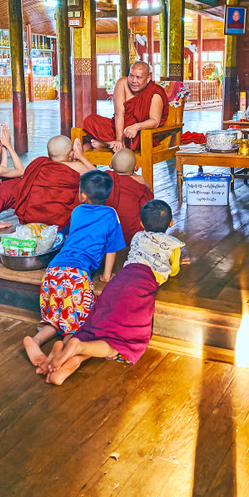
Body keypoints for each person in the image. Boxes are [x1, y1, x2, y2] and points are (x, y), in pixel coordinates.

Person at [41, 200, 185, 385]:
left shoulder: (137, 237)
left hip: (118, 283)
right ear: (171, 223)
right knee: (120, 341)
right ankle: (78, 346)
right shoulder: (173, 245)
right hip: (138, 289)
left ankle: (69, 357)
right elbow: (173, 271)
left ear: (141, 224)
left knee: (99, 327)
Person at [22, 170, 125, 369]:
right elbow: (111, 248)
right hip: (76, 276)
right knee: (75, 324)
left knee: (54, 319)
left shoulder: (77, 211)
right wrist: (105, 275)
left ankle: (35, 341)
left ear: (83, 195)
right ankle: (59, 354)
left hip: (54, 270)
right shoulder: (111, 214)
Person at [11, 135, 95, 229]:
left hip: (32, 217)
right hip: (59, 219)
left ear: (48, 154)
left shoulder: (39, 163)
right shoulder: (77, 167)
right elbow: (98, 177)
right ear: (71, 154)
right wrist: (81, 156)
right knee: (86, 188)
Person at [82, 62, 168, 151]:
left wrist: (136, 127)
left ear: (148, 78)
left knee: (139, 138)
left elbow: (155, 121)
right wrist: (119, 139)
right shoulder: (122, 83)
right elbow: (119, 114)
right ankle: (114, 143)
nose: (134, 81)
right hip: (118, 129)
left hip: (140, 133)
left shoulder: (155, 92)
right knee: (91, 120)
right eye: (131, 76)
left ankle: (105, 143)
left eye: (138, 77)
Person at [106, 148, 154, 247]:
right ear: (136, 168)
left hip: (108, 234)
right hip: (133, 235)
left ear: (110, 165)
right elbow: (149, 191)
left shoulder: (107, 177)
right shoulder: (139, 180)